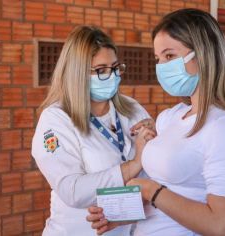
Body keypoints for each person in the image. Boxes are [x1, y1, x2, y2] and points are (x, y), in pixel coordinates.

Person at [87, 8, 225, 236]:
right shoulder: (169, 118)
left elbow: (221, 226)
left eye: (170, 56)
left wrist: (150, 190)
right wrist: (121, 214)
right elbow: (168, 199)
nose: (162, 66)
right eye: (158, 58)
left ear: (202, 54)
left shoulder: (224, 127)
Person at [31, 26, 156, 236]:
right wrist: (134, 164)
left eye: (116, 68)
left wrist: (158, 140)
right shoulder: (56, 119)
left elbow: (155, 173)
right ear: (77, 73)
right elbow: (72, 191)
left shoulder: (132, 109)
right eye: (101, 70)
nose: (112, 76)